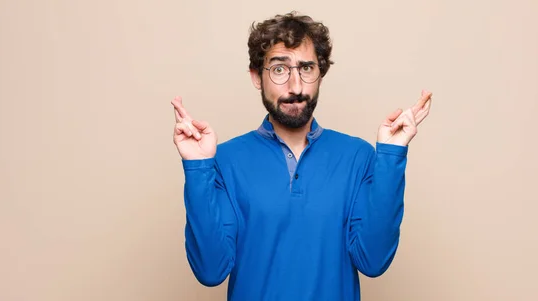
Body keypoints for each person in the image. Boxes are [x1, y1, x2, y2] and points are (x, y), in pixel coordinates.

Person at [171, 11, 432, 301]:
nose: (295, 87)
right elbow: (210, 270)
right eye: (279, 70)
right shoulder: (225, 160)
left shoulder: (358, 157)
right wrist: (198, 167)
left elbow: (373, 261)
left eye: (306, 68)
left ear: (320, 73)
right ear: (257, 76)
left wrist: (391, 156)